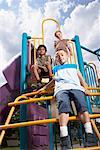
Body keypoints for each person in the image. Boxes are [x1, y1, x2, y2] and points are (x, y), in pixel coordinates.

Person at [52, 49, 97, 149]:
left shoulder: (73, 66)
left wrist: (86, 88)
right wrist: (43, 88)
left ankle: (89, 136)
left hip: (76, 87)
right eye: (58, 56)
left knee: (82, 108)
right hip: (62, 89)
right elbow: (52, 81)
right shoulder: (56, 69)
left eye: (62, 54)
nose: (60, 56)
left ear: (67, 56)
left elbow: (81, 79)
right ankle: (64, 139)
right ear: (56, 59)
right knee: (63, 108)